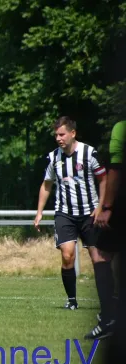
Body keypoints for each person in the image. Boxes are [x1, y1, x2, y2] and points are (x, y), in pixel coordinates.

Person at [34, 116, 110, 315]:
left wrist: (101, 207)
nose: (58, 138)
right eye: (56, 135)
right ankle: (72, 300)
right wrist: (39, 212)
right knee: (67, 256)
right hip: (65, 213)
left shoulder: (89, 153)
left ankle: (106, 301)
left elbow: (103, 180)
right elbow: (47, 185)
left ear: (72, 133)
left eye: (62, 134)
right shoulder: (53, 158)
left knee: (98, 258)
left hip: (90, 213)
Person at [88, 121, 126, 340]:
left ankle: (109, 319)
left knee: (100, 255)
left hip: (122, 204)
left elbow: (115, 170)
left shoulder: (121, 127)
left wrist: (108, 207)